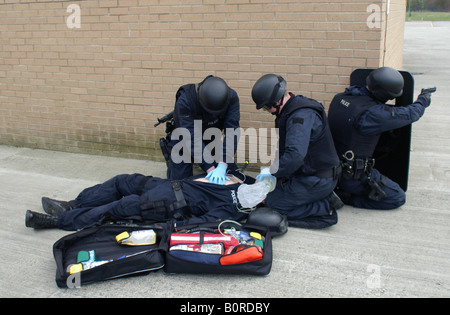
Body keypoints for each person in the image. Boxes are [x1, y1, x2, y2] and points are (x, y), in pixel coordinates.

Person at [327, 66, 432, 210]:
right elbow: (410, 114)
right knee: (397, 197)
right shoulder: (372, 114)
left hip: (330, 170)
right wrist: (423, 100)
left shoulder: (341, 98)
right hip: (352, 177)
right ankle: (346, 196)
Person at [24, 172, 274, 231]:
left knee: (121, 207)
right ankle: (73, 204)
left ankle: (58, 220)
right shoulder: (238, 178)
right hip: (169, 184)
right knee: (122, 181)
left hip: (171, 203)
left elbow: (200, 223)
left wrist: (168, 226)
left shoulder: (235, 210)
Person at [250, 74, 343, 229]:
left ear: (278, 100)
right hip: (307, 173)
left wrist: (271, 171)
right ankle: (314, 197)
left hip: (317, 178)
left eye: (267, 107)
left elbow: (294, 155)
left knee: (273, 207)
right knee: (267, 196)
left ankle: (324, 206)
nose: (267, 111)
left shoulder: (299, 117)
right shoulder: (291, 108)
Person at [165, 75, 240, 185]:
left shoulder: (231, 97)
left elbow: (232, 132)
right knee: (178, 186)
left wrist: (223, 165)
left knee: (233, 175)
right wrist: (210, 168)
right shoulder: (186, 99)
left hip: (211, 138)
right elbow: (190, 138)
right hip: (183, 140)